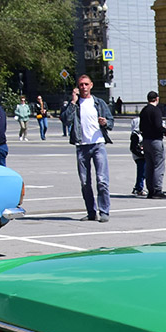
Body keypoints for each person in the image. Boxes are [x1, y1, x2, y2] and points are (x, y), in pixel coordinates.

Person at [62, 75, 113, 222]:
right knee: (85, 182)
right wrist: (73, 101)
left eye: (86, 84)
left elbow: (110, 121)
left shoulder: (98, 103)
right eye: (81, 85)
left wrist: (104, 123)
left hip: (98, 144)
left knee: (102, 180)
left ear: (91, 85)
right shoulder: (75, 104)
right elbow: (66, 120)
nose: (84, 87)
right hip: (81, 145)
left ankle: (104, 211)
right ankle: (91, 212)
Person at [138, 91, 166, 198]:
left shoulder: (144, 110)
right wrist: (164, 130)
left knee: (149, 165)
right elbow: (157, 126)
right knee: (158, 165)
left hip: (146, 140)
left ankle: (150, 189)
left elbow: (141, 127)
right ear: (157, 99)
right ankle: (157, 190)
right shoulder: (156, 111)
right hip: (156, 140)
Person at [129, 118, 146, 196]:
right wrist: (140, 153)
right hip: (139, 156)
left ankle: (137, 187)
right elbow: (133, 147)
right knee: (141, 172)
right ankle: (139, 188)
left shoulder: (142, 133)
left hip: (143, 155)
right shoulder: (135, 135)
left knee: (144, 172)